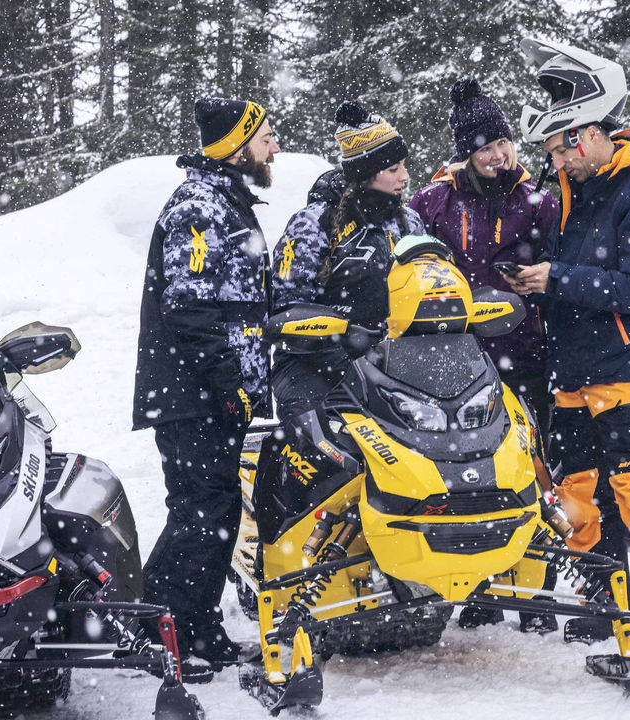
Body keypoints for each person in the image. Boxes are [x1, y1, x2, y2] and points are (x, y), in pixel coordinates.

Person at [506, 40, 630, 645]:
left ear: (590, 135)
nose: (557, 162)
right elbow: (582, 279)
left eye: (560, 148)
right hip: (576, 374)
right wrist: (532, 282)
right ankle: (601, 603)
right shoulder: (581, 193)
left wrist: (557, 278)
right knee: (576, 498)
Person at [409, 77, 560, 633]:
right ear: (465, 154)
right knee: (468, 477)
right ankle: (480, 586)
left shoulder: (538, 200)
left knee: (530, 469)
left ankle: (536, 591)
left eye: (502, 144)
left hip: (525, 352)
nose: (498, 155)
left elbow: (561, 265)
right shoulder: (433, 201)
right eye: (484, 148)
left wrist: (539, 283)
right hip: (453, 360)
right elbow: (407, 262)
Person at [133, 96, 278, 675]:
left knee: (213, 508)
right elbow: (191, 309)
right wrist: (229, 383)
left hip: (209, 391)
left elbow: (240, 301)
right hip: (191, 393)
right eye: (265, 138)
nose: (274, 148)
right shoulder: (200, 208)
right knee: (202, 509)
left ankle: (197, 629)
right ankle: (160, 629)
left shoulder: (226, 201)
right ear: (237, 147)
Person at [269, 100, 424, 421]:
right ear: (365, 174)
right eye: (394, 169)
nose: (405, 176)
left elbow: (429, 286)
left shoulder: (410, 221)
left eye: (404, 166)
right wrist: (343, 358)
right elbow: (286, 310)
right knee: (316, 440)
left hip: (390, 363)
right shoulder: (312, 225)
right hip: (311, 364)